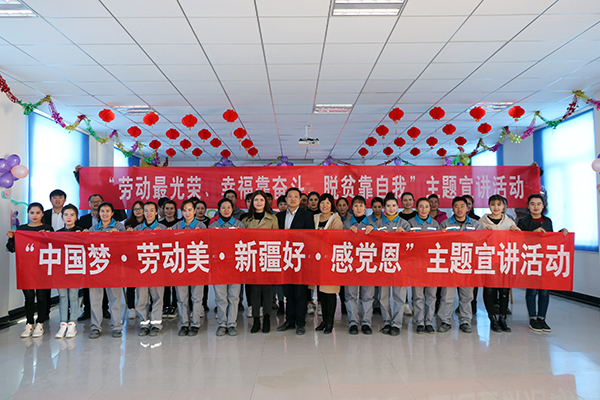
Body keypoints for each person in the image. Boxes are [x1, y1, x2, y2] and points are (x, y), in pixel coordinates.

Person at [518, 194, 568, 333]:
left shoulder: (547, 221)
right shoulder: (523, 221)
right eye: (532, 204)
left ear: (543, 205)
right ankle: (532, 318)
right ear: (528, 206)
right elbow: (518, 240)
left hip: (545, 259)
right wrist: (532, 233)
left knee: (545, 291)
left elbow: (551, 238)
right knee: (532, 290)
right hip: (530, 259)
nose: (536, 206)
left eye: (538, 203)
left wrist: (561, 233)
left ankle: (542, 318)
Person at [7, 203, 53, 338]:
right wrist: (11, 238)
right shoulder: (22, 229)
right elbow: (12, 248)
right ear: (28, 214)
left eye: (38, 213)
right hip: (26, 268)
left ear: (42, 214)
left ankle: (40, 323)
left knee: (42, 296)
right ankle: (29, 323)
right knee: (29, 296)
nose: (35, 215)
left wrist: (48, 236)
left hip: (42, 268)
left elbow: (55, 246)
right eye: (32, 212)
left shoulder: (47, 228)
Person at [439, 196, 482, 334]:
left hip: (468, 265)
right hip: (450, 265)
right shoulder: (445, 224)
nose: (459, 209)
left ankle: (465, 321)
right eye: (456, 206)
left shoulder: (475, 225)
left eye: (462, 206)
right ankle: (445, 321)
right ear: (452, 208)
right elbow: (439, 244)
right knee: (447, 295)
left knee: (467, 296)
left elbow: (480, 243)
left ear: (467, 208)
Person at [276, 187, 315, 335]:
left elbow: (310, 237)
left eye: (296, 197)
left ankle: (300, 323)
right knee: (288, 292)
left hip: (299, 260)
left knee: (300, 293)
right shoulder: (279, 217)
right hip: (284, 260)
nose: (292, 199)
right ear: (286, 199)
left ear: (300, 199)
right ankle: (289, 321)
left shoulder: (307, 215)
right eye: (290, 196)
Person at [369, 193, 410, 336]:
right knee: (383, 296)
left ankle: (396, 324)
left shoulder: (404, 224)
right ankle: (387, 321)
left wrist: (404, 234)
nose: (391, 208)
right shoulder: (377, 224)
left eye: (393, 205)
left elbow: (411, 246)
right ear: (384, 208)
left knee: (399, 296)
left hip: (400, 266)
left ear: (398, 207)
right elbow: (372, 244)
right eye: (388, 206)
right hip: (383, 265)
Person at [479, 195, 520, 333]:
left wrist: (515, 231)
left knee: (504, 290)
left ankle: (502, 318)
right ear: (489, 206)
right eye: (493, 204)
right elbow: (475, 240)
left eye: (499, 204)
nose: (496, 207)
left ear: (504, 206)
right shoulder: (482, 221)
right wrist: (483, 233)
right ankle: (492, 318)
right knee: (489, 290)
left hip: (504, 261)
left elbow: (519, 240)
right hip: (488, 261)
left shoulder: (509, 222)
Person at [242, 190, 279, 334]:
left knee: (267, 291)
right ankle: (256, 319)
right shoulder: (246, 220)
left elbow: (277, 240)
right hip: (252, 258)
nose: (258, 202)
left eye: (261, 200)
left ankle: (267, 318)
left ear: (266, 202)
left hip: (268, 257)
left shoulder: (272, 219)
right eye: (256, 200)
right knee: (255, 291)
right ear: (252, 202)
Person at [88, 202, 126, 339]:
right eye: (102, 211)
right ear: (98, 213)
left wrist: (119, 235)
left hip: (114, 268)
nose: (104, 214)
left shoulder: (119, 227)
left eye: (107, 211)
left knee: (114, 299)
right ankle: (95, 327)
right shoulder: (93, 229)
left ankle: (116, 327)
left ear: (112, 213)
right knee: (96, 300)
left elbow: (126, 245)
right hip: (97, 268)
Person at [209, 198, 245, 336]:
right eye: (223, 207)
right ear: (219, 209)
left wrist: (239, 234)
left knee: (233, 297)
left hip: (235, 266)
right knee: (221, 297)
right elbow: (209, 245)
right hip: (218, 266)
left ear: (233, 209)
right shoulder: (213, 226)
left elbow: (245, 244)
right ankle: (222, 324)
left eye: (228, 207)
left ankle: (232, 324)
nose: (226, 210)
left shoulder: (239, 225)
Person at [172, 199, 207, 337]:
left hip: (197, 264)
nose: (187, 213)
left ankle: (195, 324)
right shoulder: (176, 226)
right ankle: (184, 324)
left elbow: (207, 245)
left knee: (196, 297)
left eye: (190, 210)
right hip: (180, 265)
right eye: (184, 210)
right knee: (182, 298)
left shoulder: (202, 226)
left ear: (195, 211)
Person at [133, 201, 167, 337]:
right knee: (142, 297)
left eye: (151, 210)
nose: (148, 213)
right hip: (141, 269)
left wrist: (162, 236)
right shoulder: (136, 229)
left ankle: (156, 324)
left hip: (157, 268)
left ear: (157, 212)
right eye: (146, 210)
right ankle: (144, 324)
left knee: (157, 297)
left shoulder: (163, 228)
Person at [343, 195, 376, 335]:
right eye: (356, 205)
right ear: (352, 207)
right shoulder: (346, 224)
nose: (358, 208)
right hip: (351, 264)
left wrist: (373, 230)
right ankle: (353, 323)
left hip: (368, 264)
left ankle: (366, 323)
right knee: (350, 295)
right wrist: (347, 233)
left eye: (361, 205)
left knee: (368, 295)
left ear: (365, 207)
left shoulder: (373, 223)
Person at [407, 198, 440, 334]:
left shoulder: (435, 224)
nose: (424, 209)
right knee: (418, 295)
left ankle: (429, 322)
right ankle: (420, 322)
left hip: (432, 263)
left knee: (431, 295)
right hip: (416, 265)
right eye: (421, 206)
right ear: (416, 208)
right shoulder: (410, 223)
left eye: (426, 206)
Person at [312, 193, 343, 335]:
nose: (324, 205)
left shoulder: (336, 219)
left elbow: (337, 239)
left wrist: (322, 235)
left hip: (330, 261)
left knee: (330, 293)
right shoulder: (314, 218)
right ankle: (324, 321)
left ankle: (330, 322)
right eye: (322, 202)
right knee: (321, 293)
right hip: (317, 261)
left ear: (332, 205)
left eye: (327, 203)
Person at [55, 204, 83, 339]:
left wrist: (84, 236)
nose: (69, 217)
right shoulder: (57, 234)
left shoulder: (81, 232)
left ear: (76, 217)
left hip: (75, 269)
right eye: (66, 215)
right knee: (62, 296)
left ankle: (72, 324)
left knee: (73, 296)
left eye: (72, 215)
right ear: (62, 217)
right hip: (61, 270)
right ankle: (63, 324)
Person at [123, 201, 144, 320]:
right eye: (136, 209)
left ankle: (143, 307)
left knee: (143, 285)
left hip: (145, 257)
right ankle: (131, 308)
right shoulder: (127, 224)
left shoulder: (149, 223)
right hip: (131, 257)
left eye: (140, 209)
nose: (138, 211)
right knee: (130, 284)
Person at [159, 199, 180, 319]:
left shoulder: (180, 223)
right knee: (165, 282)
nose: (169, 211)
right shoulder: (159, 224)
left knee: (176, 282)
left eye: (172, 208)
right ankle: (166, 305)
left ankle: (175, 305)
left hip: (177, 255)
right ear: (163, 209)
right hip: (164, 256)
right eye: (167, 208)